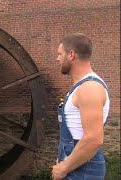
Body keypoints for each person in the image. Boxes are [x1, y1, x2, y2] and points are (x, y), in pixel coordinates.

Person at [52, 33, 110, 180]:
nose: (57, 58)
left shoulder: (89, 88)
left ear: (71, 55)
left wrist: (63, 168)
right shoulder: (80, 87)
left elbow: (93, 138)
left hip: (83, 171)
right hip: (75, 167)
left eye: (60, 54)